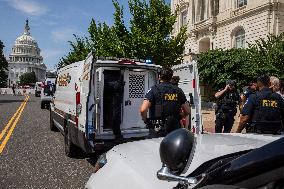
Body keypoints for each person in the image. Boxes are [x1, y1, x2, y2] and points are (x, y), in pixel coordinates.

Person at [140, 68, 190, 137]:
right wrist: (180, 116)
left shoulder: (154, 89)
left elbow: (143, 109)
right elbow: (187, 110)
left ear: (159, 76)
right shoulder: (178, 90)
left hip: (158, 128)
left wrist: (146, 121)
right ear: (171, 77)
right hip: (174, 129)